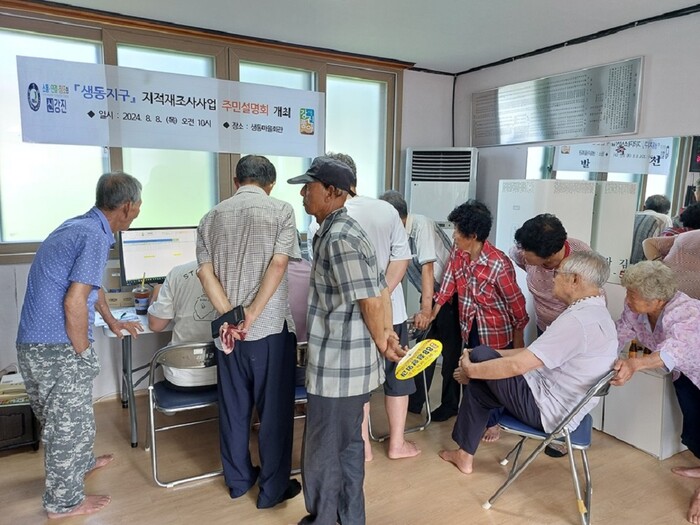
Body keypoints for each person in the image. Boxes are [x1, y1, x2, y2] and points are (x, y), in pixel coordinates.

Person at [16, 172, 144, 519]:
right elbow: (74, 301)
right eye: (139, 205)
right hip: (55, 347)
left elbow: (90, 288)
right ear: (127, 206)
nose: (138, 211)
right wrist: (83, 352)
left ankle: (81, 464)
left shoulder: (81, 226)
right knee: (66, 428)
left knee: (72, 417)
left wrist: (113, 322)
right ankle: (63, 504)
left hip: (37, 344)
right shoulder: (95, 236)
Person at [287, 156, 404, 525]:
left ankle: (325, 520)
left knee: (324, 451)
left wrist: (384, 341)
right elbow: (380, 288)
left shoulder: (339, 237)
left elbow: (371, 299)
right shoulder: (340, 229)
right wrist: (386, 335)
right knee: (347, 446)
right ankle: (349, 518)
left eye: (309, 187)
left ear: (332, 191)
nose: (303, 194)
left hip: (339, 370)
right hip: (346, 367)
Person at [439, 251, 617, 476]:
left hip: (549, 412)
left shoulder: (577, 321)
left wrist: (471, 370)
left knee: (481, 357)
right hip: (563, 405)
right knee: (483, 363)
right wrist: (489, 357)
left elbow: (518, 366)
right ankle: (464, 455)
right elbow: (534, 352)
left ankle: (464, 454)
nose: (553, 278)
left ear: (575, 280)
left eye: (558, 273)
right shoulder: (596, 313)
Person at [196, 154, 301, 509]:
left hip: (227, 334)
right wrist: (252, 315)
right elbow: (279, 264)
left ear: (236, 182)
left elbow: (205, 273)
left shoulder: (210, 217)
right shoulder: (282, 210)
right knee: (273, 414)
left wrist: (231, 317)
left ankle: (239, 481)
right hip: (269, 330)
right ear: (270, 184)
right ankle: (271, 491)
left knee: (233, 409)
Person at [325, 153, 416, 461]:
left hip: (351, 318)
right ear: (355, 179)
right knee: (398, 374)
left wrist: (367, 296)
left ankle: (362, 445)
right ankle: (397, 444)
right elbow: (401, 259)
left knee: (359, 383)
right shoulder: (385, 210)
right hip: (393, 312)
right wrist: (381, 294)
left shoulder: (327, 214)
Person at [612, 261, 700, 525]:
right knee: (694, 429)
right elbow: (621, 332)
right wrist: (602, 359)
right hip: (687, 374)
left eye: (633, 295)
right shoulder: (636, 308)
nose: (627, 299)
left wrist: (634, 364)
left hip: (691, 365)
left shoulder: (687, 313)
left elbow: (672, 351)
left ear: (658, 301)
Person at [430, 200, 529, 434]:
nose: (453, 235)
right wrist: (432, 311)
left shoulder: (498, 263)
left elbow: (516, 303)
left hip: (495, 329)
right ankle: (477, 418)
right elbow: (448, 282)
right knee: (471, 370)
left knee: (492, 375)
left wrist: (518, 337)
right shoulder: (458, 252)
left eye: (457, 231)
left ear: (473, 236)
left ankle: (493, 423)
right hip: (469, 324)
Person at [378, 190, 462, 421]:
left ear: (394, 216)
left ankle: (450, 405)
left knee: (450, 355)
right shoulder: (397, 233)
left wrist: (426, 311)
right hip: (432, 296)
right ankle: (415, 401)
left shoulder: (421, 225)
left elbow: (428, 268)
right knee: (423, 351)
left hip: (451, 296)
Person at [147, 260, 218, 389]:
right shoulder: (233, 272)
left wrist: (156, 293)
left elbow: (155, 324)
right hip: (225, 377)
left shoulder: (177, 273)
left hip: (181, 379)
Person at [643, 229, 700, 299]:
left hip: (662, 297)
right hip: (655, 295)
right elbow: (649, 243)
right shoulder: (690, 237)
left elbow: (649, 243)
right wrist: (660, 269)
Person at [630, 194, 672, 264]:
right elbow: (666, 245)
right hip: (645, 264)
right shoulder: (664, 218)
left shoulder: (634, 215)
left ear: (644, 207)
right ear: (667, 212)